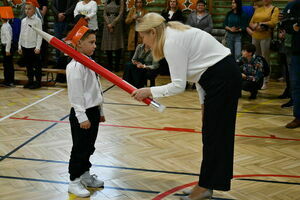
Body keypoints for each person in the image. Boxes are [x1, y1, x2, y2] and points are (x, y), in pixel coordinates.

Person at [132, 13, 242, 200]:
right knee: (212, 134)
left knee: (215, 136)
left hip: (223, 79)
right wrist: (203, 105)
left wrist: (150, 91)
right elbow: (199, 74)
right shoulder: (172, 33)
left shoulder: (171, 41)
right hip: (217, 78)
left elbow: (178, 85)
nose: (143, 42)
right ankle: (207, 184)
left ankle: (205, 186)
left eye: (143, 36)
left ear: (152, 32)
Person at [66, 26, 105, 197]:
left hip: (93, 111)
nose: (94, 46)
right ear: (79, 43)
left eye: (95, 42)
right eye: (91, 42)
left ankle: (85, 175)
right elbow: (76, 95)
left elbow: (97, 88)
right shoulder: (75, 66)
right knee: (80, 148)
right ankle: (74, 181)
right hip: (82, 115)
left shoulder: (89, 62)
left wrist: (100, 110)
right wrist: (82, 117)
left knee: (89, 147)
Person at [249, 0, 279, 89]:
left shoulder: (274, 9)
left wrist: (261, 24)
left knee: (265, 58)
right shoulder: (258, 9)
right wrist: (255, 26)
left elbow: (274, 22)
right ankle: (257, 78)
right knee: (255, 58)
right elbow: (251, 22)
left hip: (266, 36)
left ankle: (265, 80)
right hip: (255, 35)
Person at [281, 0, 300, 128]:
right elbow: (285, 24)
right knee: (296, 85)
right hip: (298, 51)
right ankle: (298, 116)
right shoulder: (293, 5)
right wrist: (293, 27)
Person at [18, 1, 43, 89]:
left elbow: (40, 35)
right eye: (26, 9)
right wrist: (19, 46)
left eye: (29, 9)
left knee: (36, 66)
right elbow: (21, 33)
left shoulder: (37, 20)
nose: (27, 11)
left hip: (34, 47)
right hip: (25, 46)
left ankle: (38, 82)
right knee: (28, 66)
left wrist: (38, 47)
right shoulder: (23, 21)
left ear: (34, 10)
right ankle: (30, 81)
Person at [101, 0, 124, 72]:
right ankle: (110, 66)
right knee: (108, 45)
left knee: (117, 44)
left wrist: (113, 24)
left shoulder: (120, 1)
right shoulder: (107, 1)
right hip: (107, 24)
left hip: (117, 24)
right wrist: (108, 24)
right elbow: (104, 13)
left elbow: (121, 13)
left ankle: (117, 66)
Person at [0, 7, 15, 87]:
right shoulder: (6, 25)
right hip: (6, 47)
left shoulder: (5, 26)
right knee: (7, 65)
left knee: (8, 65)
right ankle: (8, 80)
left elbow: (9, 39)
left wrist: (7, 49)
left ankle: (9, 81)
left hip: (7, 47)